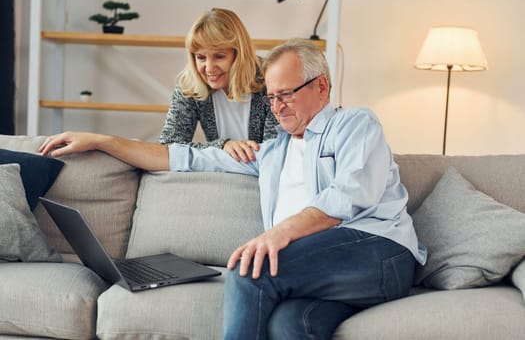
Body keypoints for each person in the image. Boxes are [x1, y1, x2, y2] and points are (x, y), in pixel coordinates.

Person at [39, 38, 427, 340]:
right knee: (291, 326)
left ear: (321, 86)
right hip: (325, 272)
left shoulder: (355, 125)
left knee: (249, 268)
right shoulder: (272, 153)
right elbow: (180, 157)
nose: (277, 107)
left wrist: (275, 235)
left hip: (380, 255)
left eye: (286, 94)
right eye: (271, 97)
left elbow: (348, 196)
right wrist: (103, 141)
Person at [161, 7, 278, 163]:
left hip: (260, 173)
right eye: (201, 57)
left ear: (239, 54)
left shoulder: (269, 79)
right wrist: (221, 146)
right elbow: (169, 146)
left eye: (219, 56)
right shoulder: (189, 84)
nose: (209, 68)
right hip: (218, 172)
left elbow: (275, 149)